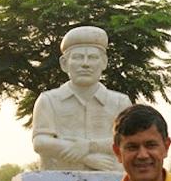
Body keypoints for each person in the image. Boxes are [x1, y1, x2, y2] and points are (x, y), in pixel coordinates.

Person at [32, 25, 131, 171]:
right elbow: (40, 142)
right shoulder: (48, 100)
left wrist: (89, 146)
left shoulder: (120, 102)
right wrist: (86, 158)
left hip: (113, 180)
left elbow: (129, 141)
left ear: (104, 62)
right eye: (78, 57)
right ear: (64, 63)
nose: (85, 64)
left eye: (92, 57)